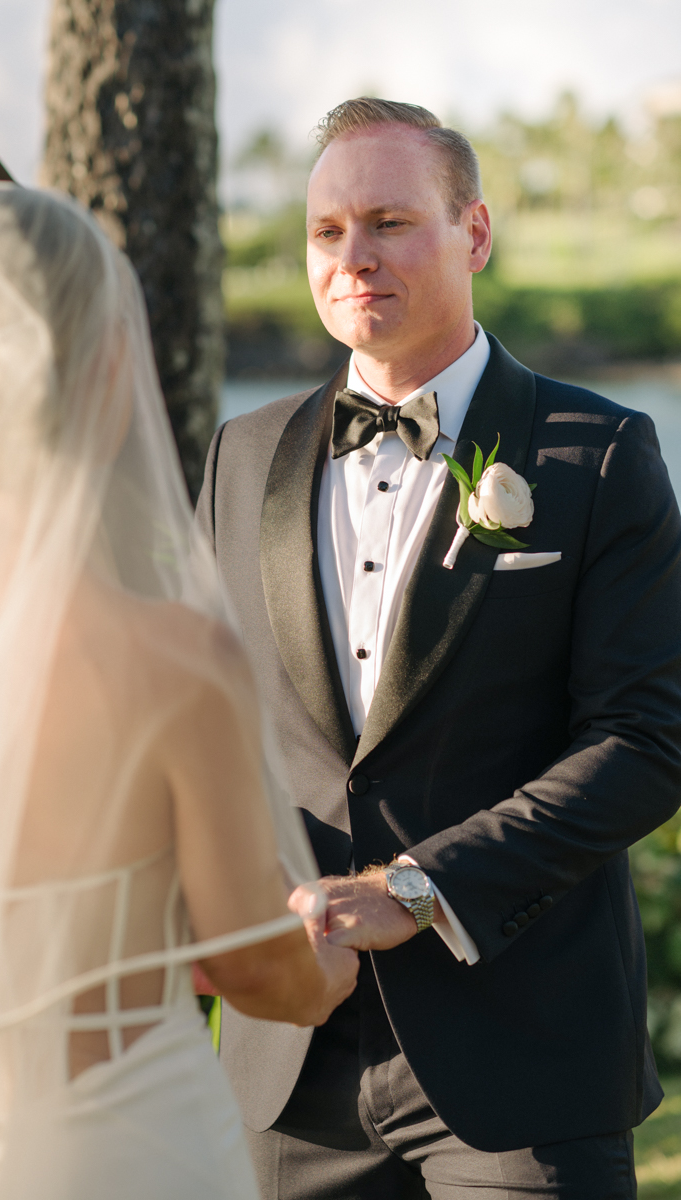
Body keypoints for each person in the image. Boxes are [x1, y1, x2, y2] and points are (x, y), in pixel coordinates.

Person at [196, 97, 681, 1199]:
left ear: (475, 232)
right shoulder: (241, 453)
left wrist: (418, 888)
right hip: (283, 1074)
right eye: (327, 233)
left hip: (523, 1071)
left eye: (388, 222)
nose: (351, 258)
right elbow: (209, 723)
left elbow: (647, 742)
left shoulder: (597, 454)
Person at [0, 180, 358, 1200]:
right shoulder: (177, 664)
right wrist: (327, 971)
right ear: (106, 365)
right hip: (126, 1140)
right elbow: (254, 968)